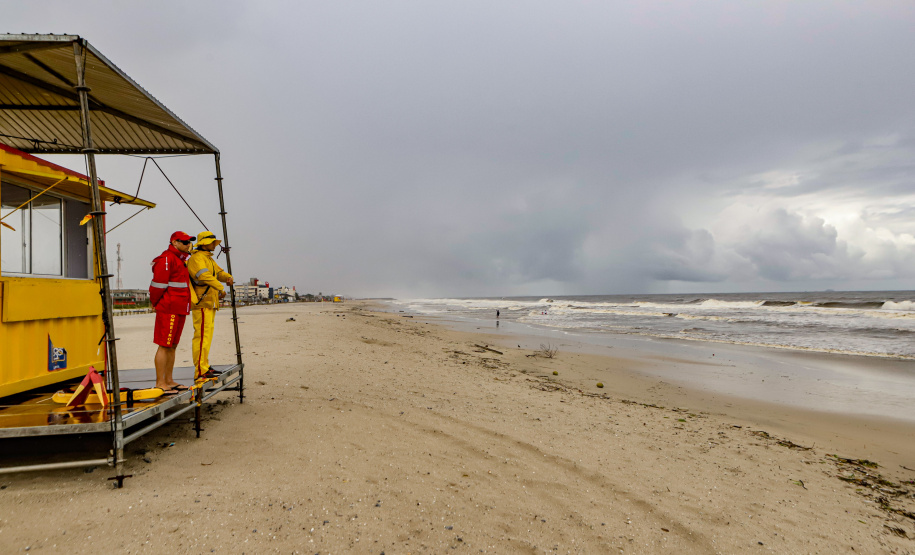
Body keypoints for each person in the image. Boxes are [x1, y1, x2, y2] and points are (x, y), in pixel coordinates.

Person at [149, 231, 195, 393]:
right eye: (184, 242)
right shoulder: (167, 259)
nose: (188, 244)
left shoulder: (179, 260)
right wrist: (155, 303)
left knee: (173, 345)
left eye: (189, 242)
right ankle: (160, 382)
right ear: (174, 242)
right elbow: (157, 286)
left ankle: (169, 379)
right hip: (168, 309)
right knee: (164, 345)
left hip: (180, 308)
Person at [187, 231, 234, 380]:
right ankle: (200, 369)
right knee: (201, 336)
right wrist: (220, 287)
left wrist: (227, 277)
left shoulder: (207, 258)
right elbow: (204, 276)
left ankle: (204, 366)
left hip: (209, 302)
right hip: (202, 302)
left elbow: (218, 272)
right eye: (212, 242)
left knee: (206, 336)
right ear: (205, 243)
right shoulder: (197, 258)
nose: (214, 245)